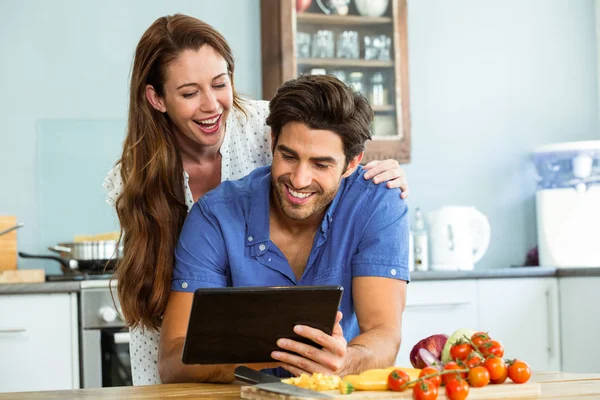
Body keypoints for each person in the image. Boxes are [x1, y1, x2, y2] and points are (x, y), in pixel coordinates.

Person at [103, 14, 410, 386]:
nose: (211, 105)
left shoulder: (267, 120)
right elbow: (174, 356)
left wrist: (379, 179)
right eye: (188, 93)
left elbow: (337, 140)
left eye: (220, 84)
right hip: (196, 345)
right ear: (157, 98)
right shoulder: (150, 184)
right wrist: (281, 358)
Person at [158, 74, 409, 383]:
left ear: (352, 163)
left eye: (321, 165)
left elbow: (383, 334)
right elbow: (172, 360)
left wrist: (344, 362)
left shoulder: (376, 203)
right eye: (289, 156)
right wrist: (278, 352)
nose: (300, 180)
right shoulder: (215, 216)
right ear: (273, 141)